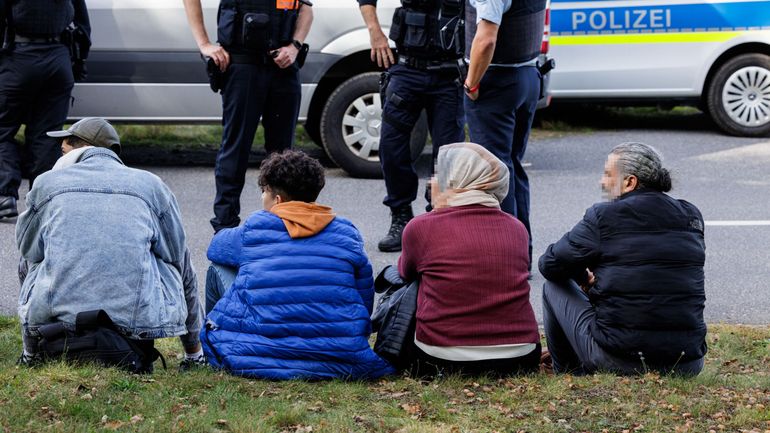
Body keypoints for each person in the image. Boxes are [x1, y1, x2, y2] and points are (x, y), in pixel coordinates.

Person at [16, 118, 205, 371]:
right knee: (180, 259)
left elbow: (28, 248)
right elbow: (173, 250)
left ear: (80, 148)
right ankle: (194, 354)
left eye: (63, 148)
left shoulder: (47, 182)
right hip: (136, 324)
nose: (59, 152)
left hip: (59, 320)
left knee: (29, 260)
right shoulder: (151, 184)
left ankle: (30, 353)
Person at [201, 150, 394, 380]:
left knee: (218, 268)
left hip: (259, 352)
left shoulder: (256, 226)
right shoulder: (346, 231)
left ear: (277, 200)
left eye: (264, 192)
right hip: (338, 353)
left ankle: (219, 337)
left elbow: (215, 249)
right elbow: (364, 295)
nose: (262, 199)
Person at [539, 142, 707, 376]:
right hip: (687, 363)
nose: (602, 181)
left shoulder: (604, 215)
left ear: (630, 182)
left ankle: (569, 373)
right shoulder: (691, 215)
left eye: (608, 174)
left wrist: (581, 277)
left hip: (620, 359)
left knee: (554, 286)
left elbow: (550, 264)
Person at [398, 142, 541, 377]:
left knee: (415, 279)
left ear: (457, 180)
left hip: (442, 358)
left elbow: (405, 274)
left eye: (440, 174)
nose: (433, 181)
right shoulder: (517, 229)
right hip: (520, 356)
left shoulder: (420, 227)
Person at [182, 0, 313, 232]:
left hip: (283, 68)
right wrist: (204, 44)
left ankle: (284, 226)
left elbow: (306, 9)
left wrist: (294, 46)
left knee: (284, 156)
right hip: (242, 65)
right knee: (235, 150)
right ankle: (225, 228)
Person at [357, 0, 466, 252]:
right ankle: (401, 217)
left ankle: (437, 218)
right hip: (408, 69)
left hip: (450, 74)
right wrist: (375, 32)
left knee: (448, 155)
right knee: (391, 146)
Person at [463, 0, 545, 264]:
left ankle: (505, 261)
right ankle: (522, 255)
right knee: (512, 166)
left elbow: (486, 40)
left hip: (497, 82)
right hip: (528, 76)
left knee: (495, 172)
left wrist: (471, 83)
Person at [0, 0, 90, 220]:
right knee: (46, 135)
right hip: (58, 60)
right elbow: (83, 25)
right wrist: (77, 63)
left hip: (17, 58)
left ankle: (4, 196)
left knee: (2, 130)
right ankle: (42, 200)